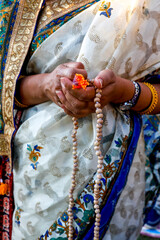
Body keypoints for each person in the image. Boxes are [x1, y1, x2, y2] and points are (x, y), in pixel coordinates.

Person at [0, 0, 160, 239]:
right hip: (33, 169)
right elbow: (6, 83)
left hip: (115, 164)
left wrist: (125, 91)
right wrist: (47, 86)